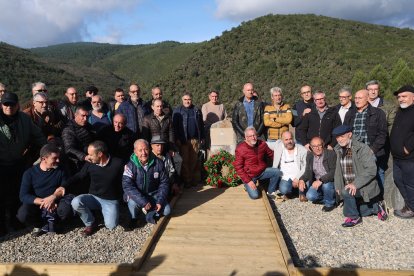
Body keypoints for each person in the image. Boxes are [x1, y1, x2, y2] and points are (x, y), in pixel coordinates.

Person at [0, 92, 46, 236]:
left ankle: (15, 222)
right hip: (0, 165)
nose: (9, 107)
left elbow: (39, 137)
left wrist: (46, 154)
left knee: (16, 195)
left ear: (18, 105)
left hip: (18, 164)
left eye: (12, 104)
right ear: (1, 105)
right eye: (6, 104)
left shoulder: (25, 120)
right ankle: (1, 226)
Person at [332, 125, 387, 227]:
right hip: (349, 186)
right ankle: (376, 207)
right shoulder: (338, 149)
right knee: (357, 208)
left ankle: (354, 218)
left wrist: (355, 184)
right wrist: (338, 186)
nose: (339, 139)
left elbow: (371, 170)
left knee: (348, 204)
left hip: (363, 185)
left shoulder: (362, 148)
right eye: (337, 137)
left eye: (342, 136)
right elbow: (338, 171)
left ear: (350, 134)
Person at [68, 141, 124, 235]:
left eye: (91, 154)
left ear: (100, 154)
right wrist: (62, 186)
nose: (88, 157)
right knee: (76, 202)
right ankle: (90, 223)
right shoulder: (90, 163)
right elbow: (79, 176)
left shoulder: (118, 163)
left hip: (110, 200)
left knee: (111, 226)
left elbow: (125, 181)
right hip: (93, 197)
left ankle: (103, 213)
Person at [17, 144, 72, 236]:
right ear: (43, 159)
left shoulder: (61, 170)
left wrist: (53, 198)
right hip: (39, 203)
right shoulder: (29, 173)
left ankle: (56, 223)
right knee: (23, 214)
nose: (58, 160)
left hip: (56, 202)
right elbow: (23, 195)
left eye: (58, 157)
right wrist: (44, 202)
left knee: (66, 209)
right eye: (54, 158)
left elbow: (64, 187)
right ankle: (39, 225)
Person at [122, 139, 171, 229]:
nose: (144, 153)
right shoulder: (130, 165)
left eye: (146, 149)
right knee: (132, 203)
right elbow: (127, 186)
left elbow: (164, 183)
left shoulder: (158, 163)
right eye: (140, 150)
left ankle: (149, 213)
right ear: (135, 152)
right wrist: (143, 202)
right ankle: (134, 218)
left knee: (167, 211)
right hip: (138, 194)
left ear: (149, 149)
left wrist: (160, 201)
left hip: (154, 193)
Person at [353, 89, 388, 193]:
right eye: (355, 98)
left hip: (371, 150)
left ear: (367, 98)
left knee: (375, 174)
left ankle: (380, 199)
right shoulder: (350, 113)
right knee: (358, 174)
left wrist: (373, 150)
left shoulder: (378, 113)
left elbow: (383, 134)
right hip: (355, 151)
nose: (357, 100)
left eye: (360, 98)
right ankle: (362, 198)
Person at [233, 127, 279, 200]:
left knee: (277, 172)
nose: (253, 138)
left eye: (254, 135)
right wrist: (249, 181)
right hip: (250, 175)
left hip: (262, 172)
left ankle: (270, 191)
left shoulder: (262, 144)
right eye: (250, 136)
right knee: (255, 196)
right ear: (246, 137)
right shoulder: (240, 149)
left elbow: (271, 154)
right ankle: (246, 185)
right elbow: (238, 168)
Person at [390, 85, 414, 218]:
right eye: (399, 97)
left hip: (409, 157)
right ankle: (410, 205)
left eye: (404, 96)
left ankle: (411, 208)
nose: (400, 99)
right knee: (398, 180)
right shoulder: (400, 111)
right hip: (397, 156)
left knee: (410, 184)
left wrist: (408, 147)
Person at [173, 92, 204, 187]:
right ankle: (187, 181)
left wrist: (202, 137)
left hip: (195, 140)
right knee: (185, 161)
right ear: (182, 100)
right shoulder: (177, 111)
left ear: (191, 100)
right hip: (183, 140)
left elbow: (201, 125)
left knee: (194, 160)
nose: (187, 101)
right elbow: (174, 127)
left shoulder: (196, 110)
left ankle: (194, 180)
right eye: (185, 99)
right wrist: (177, 139)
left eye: (189, 99)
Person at [299, 137, 337, 211]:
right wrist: (301, 179)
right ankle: (328, 197)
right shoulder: (310, 156)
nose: (317, 148)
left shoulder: (330, 154)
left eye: (319, 145)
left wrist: (321, 180)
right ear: (311, 147)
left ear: (323, 145)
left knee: (326, 185)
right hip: (318, 183)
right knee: (310, 196)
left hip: (329, 181)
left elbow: (334, 172)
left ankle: (330, 203)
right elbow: (307, 171)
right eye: (314, 146)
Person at [267, 131, 307, 201]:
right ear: (282, 141)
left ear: (293, 139)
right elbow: (265, 144)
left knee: (308, 187)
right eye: (286, 139)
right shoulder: (278, 146)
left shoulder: (302, 149)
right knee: (284, 190)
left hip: (300, 177)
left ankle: (299, 192)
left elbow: (306, 166)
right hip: (286, 178)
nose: (289, 141)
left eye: (290, 139)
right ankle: (295, 191)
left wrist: (298, 178)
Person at [61, 106, 95, 175]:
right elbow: (69, 149)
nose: (85, 119)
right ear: (76, 115)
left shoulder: (87, 125)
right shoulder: (68, 129)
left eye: (87, 116)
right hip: (76, 163)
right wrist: (84, 156)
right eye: (83, 116)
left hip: (90, 158)